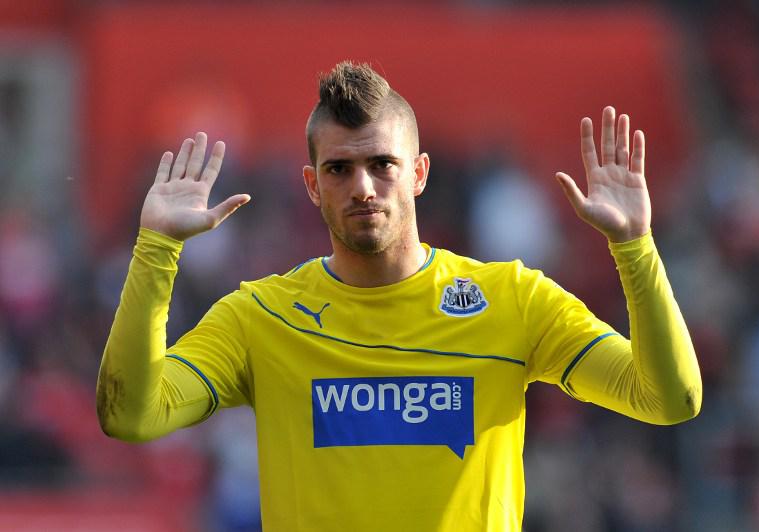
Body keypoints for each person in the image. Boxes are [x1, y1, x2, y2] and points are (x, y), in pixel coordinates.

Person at [97, 61, 702, 532]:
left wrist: (635, 247)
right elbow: (130, 415)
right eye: (338, 169)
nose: (363, 187)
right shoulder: (259, 318)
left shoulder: (513, 300)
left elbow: (669, 398)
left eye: (383, 164)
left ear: (418, 173)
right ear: (311, 185)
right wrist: (157, 249)